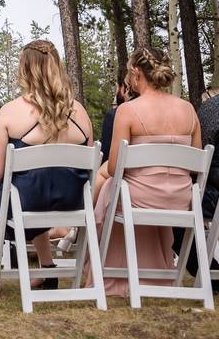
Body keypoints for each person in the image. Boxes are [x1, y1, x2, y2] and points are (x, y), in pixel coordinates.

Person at [0, 40, 93, 293]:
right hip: (74, 202)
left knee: (2, 191)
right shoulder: (80, 112)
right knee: (35, 182)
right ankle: (47, 268)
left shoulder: (10, 112)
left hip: (29, 203)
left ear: (26, 69)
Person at [90, 47, 202, 297]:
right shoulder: (189, 110)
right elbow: (196, 164)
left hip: (138, 200)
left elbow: (115, 166)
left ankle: (109, 272)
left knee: (109, 185)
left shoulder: (127, 110)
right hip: (182, 201)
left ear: (136, 73)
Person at [174, 86, 219, 288]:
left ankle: (207, 271)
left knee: (176, 211)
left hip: (212, 195)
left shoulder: (210, 109)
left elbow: (199, 161)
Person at [99, 71, 131, 163]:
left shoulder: (113, 115)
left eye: (118, 87)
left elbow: (106, 157)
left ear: (125, 89)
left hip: (120, 174)